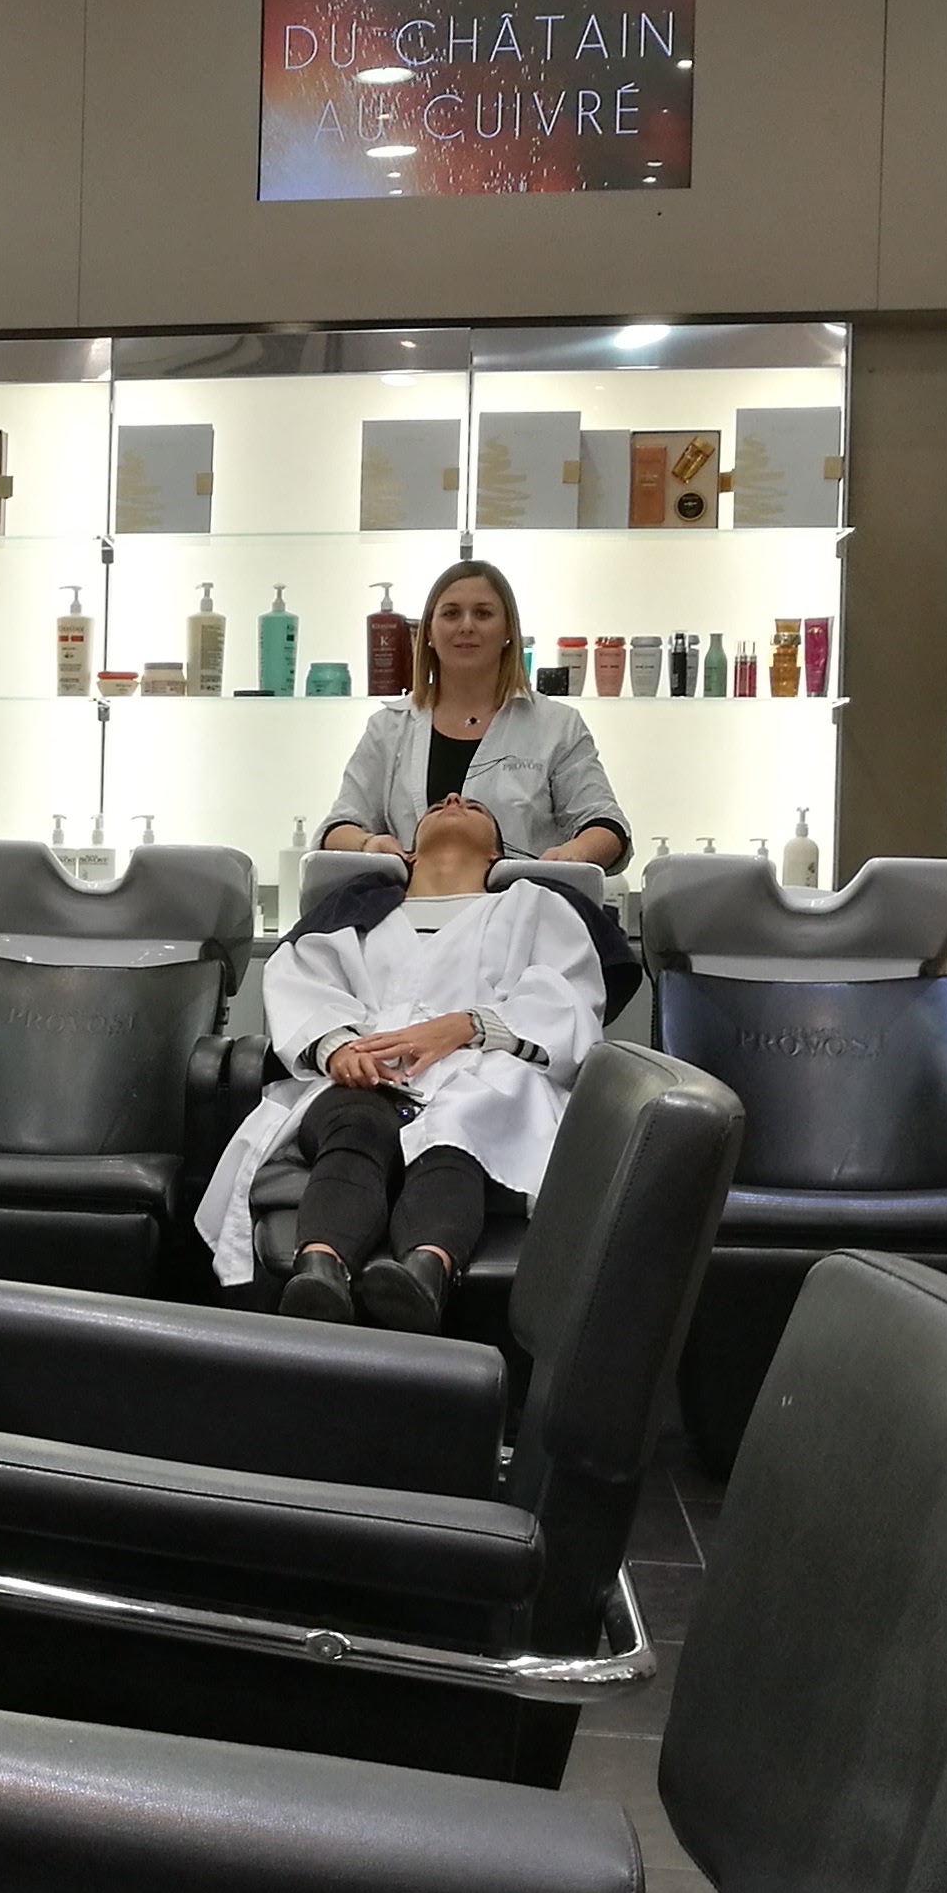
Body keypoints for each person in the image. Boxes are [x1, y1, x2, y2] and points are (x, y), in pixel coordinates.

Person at [191, 791, 605, 1331]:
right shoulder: (355, 913)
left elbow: (567, 996)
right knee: (357, 1121)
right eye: (437, 805)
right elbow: (303, 981)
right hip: (364, 1074)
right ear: (407, 853)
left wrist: (467, 1025)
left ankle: (424, 1275)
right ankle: (319, 1271)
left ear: (498, 856)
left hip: (485, 1072)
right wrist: (336, 1046)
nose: (452, 797)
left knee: (459, 1127)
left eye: (475, 807)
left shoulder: (532, 907)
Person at [318, 560, 628, 871]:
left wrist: (574, 853)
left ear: (508, 631)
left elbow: (606, 824)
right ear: (428, 633)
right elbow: (338, 827)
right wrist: (368, 845)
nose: (466, 626)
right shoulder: (388, 727)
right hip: (411, 900)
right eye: (451, 613)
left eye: (483, 613)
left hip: (524, 898)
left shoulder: (556, 726)